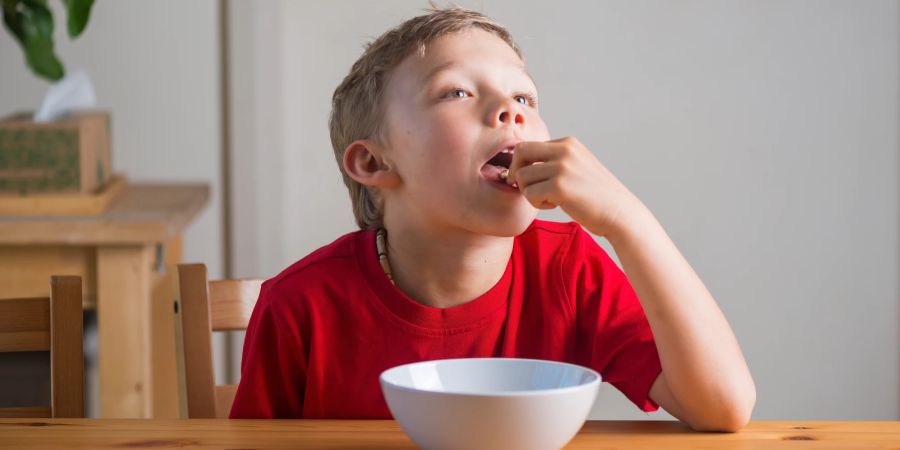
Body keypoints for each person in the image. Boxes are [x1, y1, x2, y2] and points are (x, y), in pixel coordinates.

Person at [229, 5, 756, 432]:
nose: (511, 110)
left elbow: (722, 407)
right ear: (374, 162)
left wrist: (625, 218)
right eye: (456, 91)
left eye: (524, 94)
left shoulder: (570, 270)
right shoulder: (299, 305)